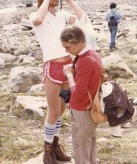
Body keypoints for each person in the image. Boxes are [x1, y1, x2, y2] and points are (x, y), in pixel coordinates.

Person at [29, 0, 93, 163]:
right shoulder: (36, 16)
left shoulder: (62, 15)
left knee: (62, 110)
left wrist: (70, 1)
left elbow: (83, 18)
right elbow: (37, 20)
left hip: (67, 65)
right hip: (52, 66)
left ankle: (56, 147)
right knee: (53, 110)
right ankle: (47, 151)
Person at [62, 25, 102, 164]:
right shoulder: (92, 53)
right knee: (89, 144)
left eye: (68, 47)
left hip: (82, 110)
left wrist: (69, 75)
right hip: (90, 108)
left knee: (80, 147)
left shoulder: (85, 61)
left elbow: (78, 93)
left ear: (77, 42)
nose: (66, 51)